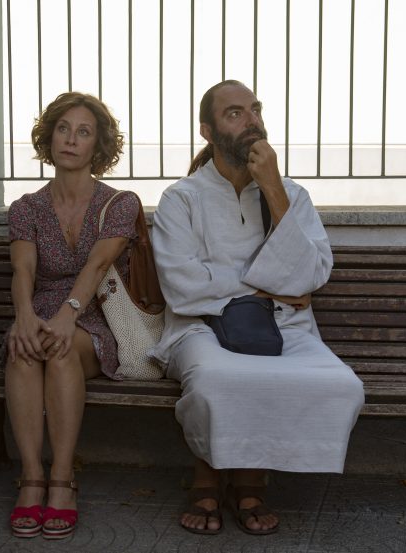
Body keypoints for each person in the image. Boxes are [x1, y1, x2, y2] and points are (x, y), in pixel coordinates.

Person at [150, 80, 365, 535]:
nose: (251, 120)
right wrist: (268, 287)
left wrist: (272, 188)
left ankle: (249, 474)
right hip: (201, 327)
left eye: (255, 109)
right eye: (235, 113)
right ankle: (214, 477)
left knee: (342, 386)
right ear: (207, 132)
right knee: (216, 380)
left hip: (287, 326)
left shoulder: (291, 194)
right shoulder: (181, 199)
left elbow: (313, 273)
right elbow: (184, 288)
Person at [5, 91, 139, 540]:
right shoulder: (26, 208)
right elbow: (23, 267)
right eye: (63, 129)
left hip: (96, 315)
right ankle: (30, 478)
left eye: (84, 132)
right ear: (49, 137)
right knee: (24, 350)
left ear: (97, 146)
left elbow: (98, 266)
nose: (71, 140)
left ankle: (62, 478)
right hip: (40, 312)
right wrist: (24, 316)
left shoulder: (120, 203)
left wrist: (70, 314)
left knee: (60, 351)